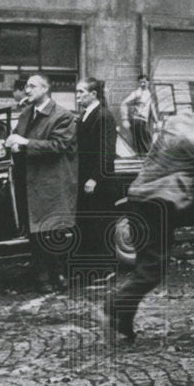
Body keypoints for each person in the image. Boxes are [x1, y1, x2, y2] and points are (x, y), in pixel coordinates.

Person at [100, 100, 194, 341]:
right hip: (156, 204)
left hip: (139, 198)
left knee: (145, 264)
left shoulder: (179, 120)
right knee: (152, 269)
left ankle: (124, 321)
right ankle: (112, 305)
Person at [5, 74, 78, 293]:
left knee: (54, 232)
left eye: (32, 86)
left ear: (45, 89)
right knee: (36, 234)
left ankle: (60, 275)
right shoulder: (27, 114)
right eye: (26, 86)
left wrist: (24, 143)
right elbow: (18, 139)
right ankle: (43, 277)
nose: (27, 90)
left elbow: (58, 146)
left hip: (52, 184)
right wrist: (12, 144)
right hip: (31, 183)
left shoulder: (62, 116)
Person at [72, 77, 119, 280]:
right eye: (77, 92)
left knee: (99, 225)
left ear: (94, 94)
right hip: (84, 180)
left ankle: (107, 270)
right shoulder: (85, 115)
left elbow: (106, 153)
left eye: (81, 92)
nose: (78, 95)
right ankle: (89, 270)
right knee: (87, 224)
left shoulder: (104, 116)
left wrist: (95, 179)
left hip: (98, 183)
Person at [120, 74, 157, 155]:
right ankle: (142, 162)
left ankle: (143, 162)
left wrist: (157, 122)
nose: (142, 84)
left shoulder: (149, 94)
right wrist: (125, 119)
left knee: (146, 144)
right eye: (140, 82)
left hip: (144, 122)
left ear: (148, 82)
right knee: (144, 145)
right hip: (137, 121)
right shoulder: (137, 93)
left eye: (144, 82)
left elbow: (152, 109)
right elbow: (124, 103)